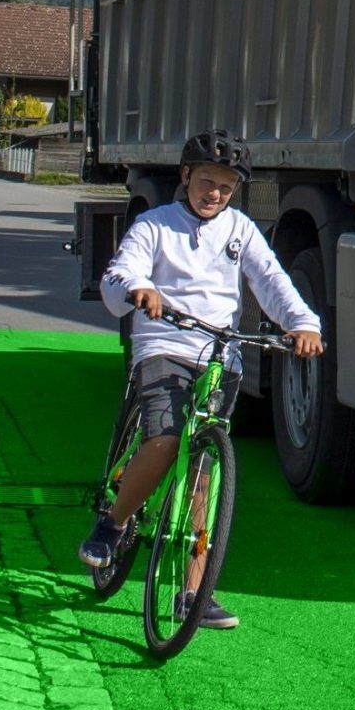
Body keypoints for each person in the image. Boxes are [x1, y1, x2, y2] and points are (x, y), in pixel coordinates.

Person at [82, 133, 322, 627]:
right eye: (207, 181)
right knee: (168, 440)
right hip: (164, 346)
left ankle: (193, 594)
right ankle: (114, 522)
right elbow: (117, 275)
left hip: (220, 352)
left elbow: (273, 281)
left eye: (227, 187)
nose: (215, 193)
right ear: (186, 176)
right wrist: (139, 288)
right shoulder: (154, 225)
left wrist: (303, 323)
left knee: (203, 471)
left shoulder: (240, 230)